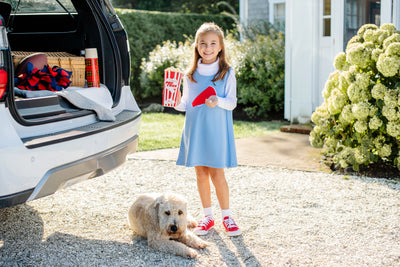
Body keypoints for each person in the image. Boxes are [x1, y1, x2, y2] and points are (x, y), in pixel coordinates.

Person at [174, 22, 241, 237]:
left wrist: (217, 101)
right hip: (195, 129)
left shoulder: (227, 72)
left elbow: (231, 102)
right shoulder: (190, 74)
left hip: (216, 130)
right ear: (196, 46)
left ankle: (227, 217)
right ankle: (207, 217)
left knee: (217, 173)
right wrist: (173, 100)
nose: (208, 47)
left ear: (220, 47)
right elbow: (185, 104)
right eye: (203, 43)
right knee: (201, 173)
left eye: (213, 43)